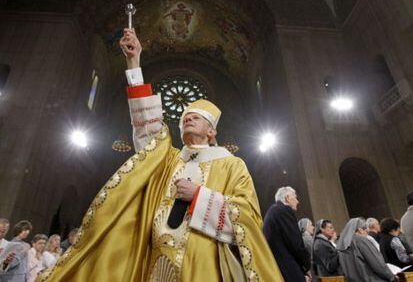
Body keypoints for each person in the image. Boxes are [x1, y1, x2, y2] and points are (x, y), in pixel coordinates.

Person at [37, 28, 284, 281]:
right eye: (186, 117)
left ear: (211, 131)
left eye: (196, 117)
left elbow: (247, 219)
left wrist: (199, 197)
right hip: (157, 262)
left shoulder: (232, 165)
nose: (188, 117)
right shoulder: (169, 161)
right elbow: (146, 126)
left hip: (204, 263)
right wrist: (134, 63)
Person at [263, 186, 311, 282]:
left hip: (277, 267)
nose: (298, 201)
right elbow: (295, 243)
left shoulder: (273, 211)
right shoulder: (284, 211)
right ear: (287, 198)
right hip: (288, 268)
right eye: (295, 197)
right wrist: (306, 266)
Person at [337, 218, 396, 282]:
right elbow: (377, 264)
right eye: (366, 231)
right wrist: (391, 277)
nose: (367, 234)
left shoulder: (341, 245)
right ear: (360, 230)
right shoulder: (361, 240)